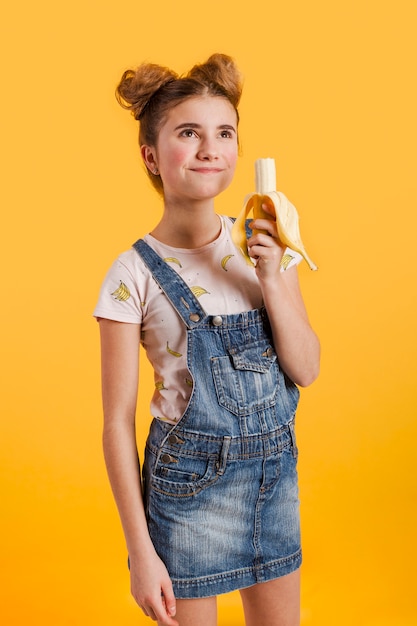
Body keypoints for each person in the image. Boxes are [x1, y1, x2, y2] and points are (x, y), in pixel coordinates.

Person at [94, 53, 320, 626]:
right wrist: (140, 554)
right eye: (188, 133)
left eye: (224, 133)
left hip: (274, 485)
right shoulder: (132, 274)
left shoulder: (268, 237)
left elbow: (307, 368)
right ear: (151, 155)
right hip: (187, 497)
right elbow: (117, 423)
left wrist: (272, 276)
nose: (209, 148)